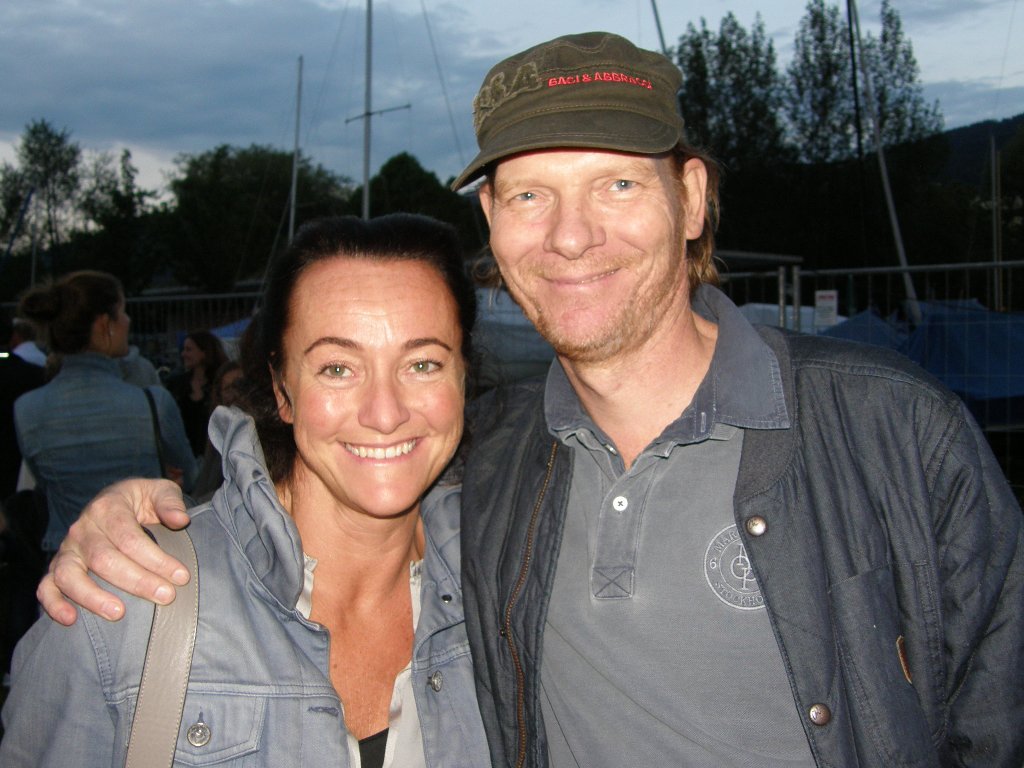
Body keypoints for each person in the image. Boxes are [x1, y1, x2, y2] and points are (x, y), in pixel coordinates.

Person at [35, 31, 1024, 768]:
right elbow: (318, 486)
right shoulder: (494, 457)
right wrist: (141, 513)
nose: (570, 235)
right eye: (529, 194)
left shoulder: (896, 433)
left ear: (690, 197)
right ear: (492, 220)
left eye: (616, 186)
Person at [1, 215, 489, 767]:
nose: (385, 413)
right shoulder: (123, 607)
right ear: (282, 390)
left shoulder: (503, 589)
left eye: (423, 364)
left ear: (463, 377)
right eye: (337, 368)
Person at [12, 270, 197, 557]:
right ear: (104, 325)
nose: (128, 321)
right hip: (142, 556)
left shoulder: (26, 408)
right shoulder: (152, 402)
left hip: (66, 563)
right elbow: (190, 475)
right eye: (122, 312)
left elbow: (47, 489)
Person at [166, 329, 229, 456]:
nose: (183, 354)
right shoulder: (177, 384)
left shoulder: (220, 383)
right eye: (183, 349)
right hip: (183, 452)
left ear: (204, 352)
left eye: (189, 350)